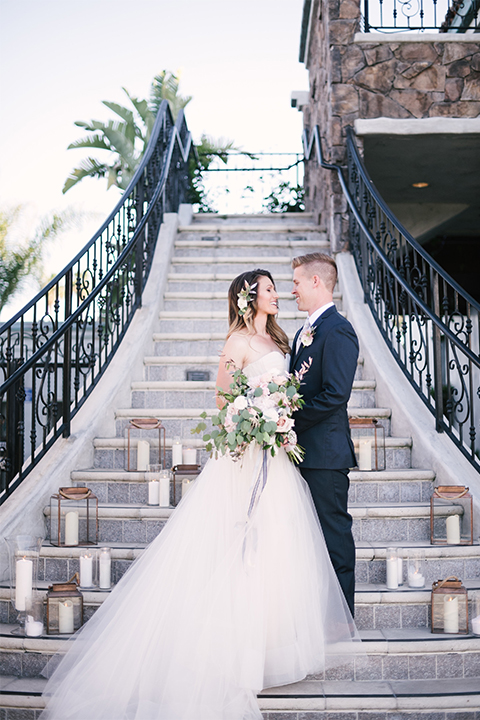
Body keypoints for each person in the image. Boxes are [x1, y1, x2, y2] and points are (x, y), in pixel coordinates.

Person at [40, 268, 361, 720]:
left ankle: (273, 645)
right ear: (250, 298)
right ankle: (233, 651)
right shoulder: (237, 344)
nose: (279, 294)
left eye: (280, 286)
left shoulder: (283, 342)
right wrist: (254, 416)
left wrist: (281, 416)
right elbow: (224, 400)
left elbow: (294, 392)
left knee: (278, 550)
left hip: (278, 457)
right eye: (270, 288)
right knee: (239, 548)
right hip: (247, 456)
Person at [290, 253, 359, 617]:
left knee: (333, 537)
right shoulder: (303, 333)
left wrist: (290, 421)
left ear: (317, 282)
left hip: (326, 455)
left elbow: (336, 394)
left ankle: (341, 619)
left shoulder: (338, 329)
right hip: (301, 452)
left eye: (297, 282)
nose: (292, 290)